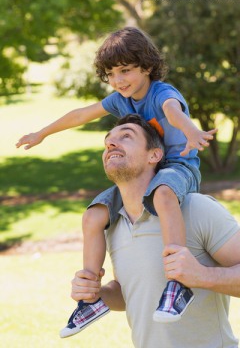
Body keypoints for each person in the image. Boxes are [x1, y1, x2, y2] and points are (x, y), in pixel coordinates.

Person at [16, 27, 217, 334]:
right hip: (145, 172)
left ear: (146, 67)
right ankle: (92, 298)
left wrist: (190, 130)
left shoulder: (161, 93)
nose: (119, 80)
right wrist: (42, 133)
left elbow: (172, 112)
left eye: (126, 70)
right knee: (94, 215)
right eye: (111, 73)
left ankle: (177, 284)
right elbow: (82, 113)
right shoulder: (121, 100)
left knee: (163, 194)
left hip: (177, 167)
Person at [70, 114, 240, 348]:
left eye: (126, 136)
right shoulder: (112, 225)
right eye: (108, 141)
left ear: (155, 155)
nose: (110, 144)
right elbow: (129, 292)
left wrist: (201, 276)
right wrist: (98, 293)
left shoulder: (196, 209)